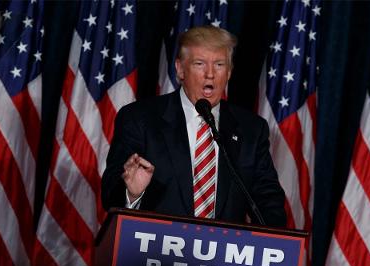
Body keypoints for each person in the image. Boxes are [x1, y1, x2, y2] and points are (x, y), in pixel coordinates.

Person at [101, 26, 286, 227]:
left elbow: (269, 202)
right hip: (155, 252)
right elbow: (110, 195)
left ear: (230, 72)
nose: (210, 74)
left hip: (223, 254)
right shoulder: (140, 119)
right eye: (199, 64)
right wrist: (132, 193)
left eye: (219, 64)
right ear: (180, 69)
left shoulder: (252, 129)